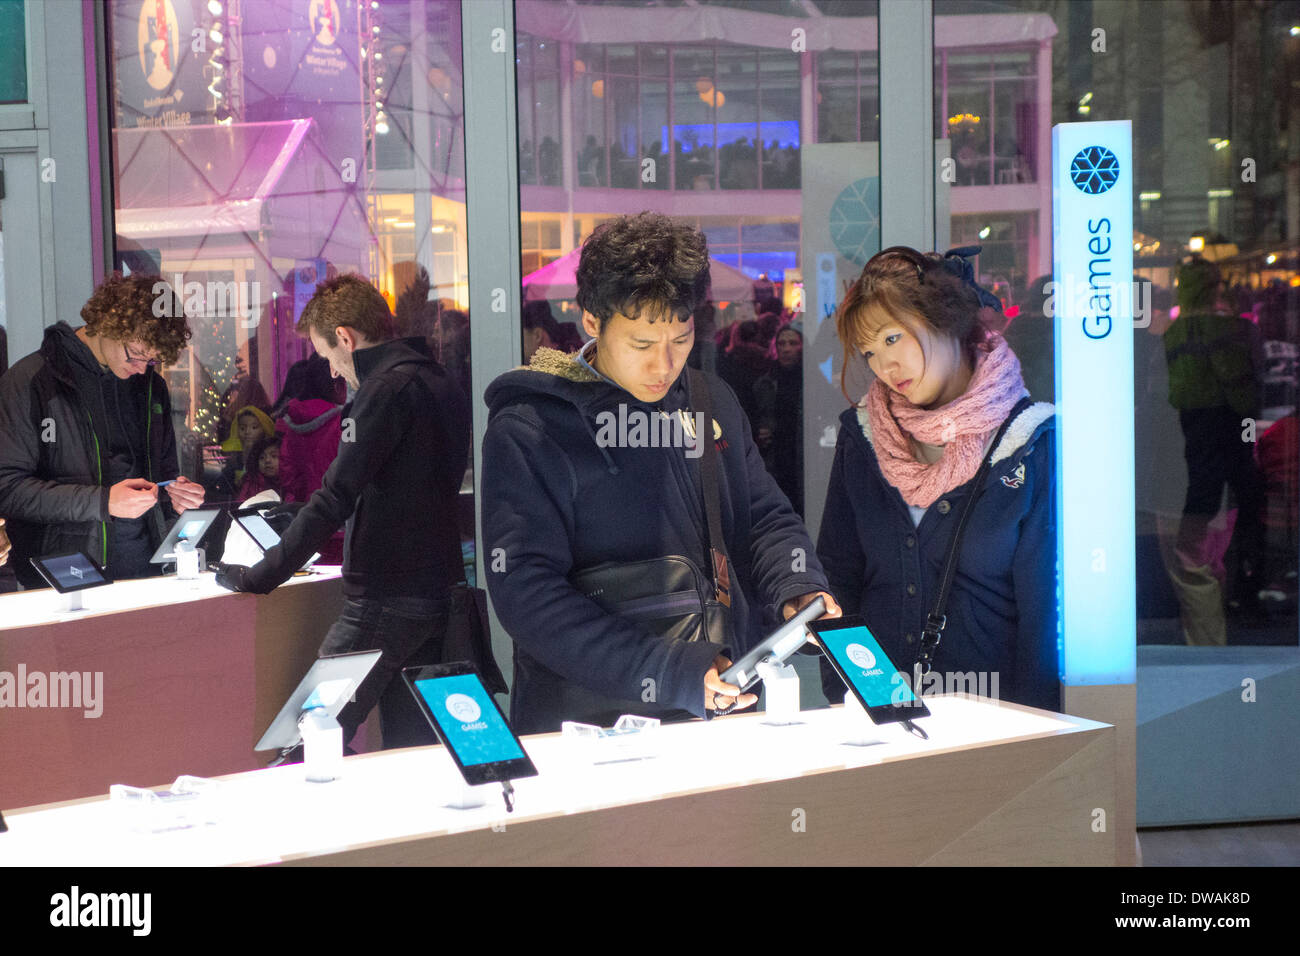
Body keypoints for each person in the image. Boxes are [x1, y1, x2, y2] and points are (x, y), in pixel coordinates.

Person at [482, 212, 839, 735]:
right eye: (642, 345)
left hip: (722, 699)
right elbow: (527, 595)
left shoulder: (707, 400)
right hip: (589, 727)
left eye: (682, 337)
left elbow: (762, 517)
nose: (664, 365)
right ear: (591, 322)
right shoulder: (531, 427)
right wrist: (667, 671)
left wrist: (796, 584)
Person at [214, 274, 471, 752]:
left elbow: (336, 498)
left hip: (384, 597)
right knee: (418, 751)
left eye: (330, 356)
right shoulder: (441, 382)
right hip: (437, 594)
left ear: (347, 338)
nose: (332, 371)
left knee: (308, 739)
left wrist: (259, 576)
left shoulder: (382, 392)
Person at [816, 246, 1059, 712]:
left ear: (944, 319)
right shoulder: (863, 435)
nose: (884, 366)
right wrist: (847, 693)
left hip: (997, 722)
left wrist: (1037, 729)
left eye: (892, 339)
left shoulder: (1029, 441)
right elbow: (838, 574)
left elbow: (1043, 618)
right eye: (869, 351)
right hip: (881, 717)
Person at [0, 273, 205, 587]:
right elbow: (9, 490)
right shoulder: (31, 381)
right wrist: (102, 501)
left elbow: (163, 475)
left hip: (148, 572)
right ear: (110, 322)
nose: (141, 367)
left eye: (152, 359)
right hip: (62, 578)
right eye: (136, 353)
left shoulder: (151, 387)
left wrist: (177, 496)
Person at [236, 433, 283, 503]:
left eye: (274, 456)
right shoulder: (250, 483)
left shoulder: (292, 484)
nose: (267, 460)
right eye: (262, 457)